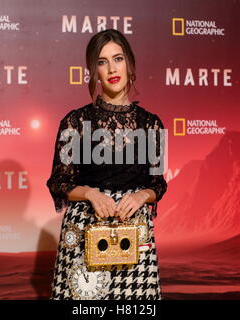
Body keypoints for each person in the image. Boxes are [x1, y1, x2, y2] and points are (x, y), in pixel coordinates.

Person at [46, 29, 167, 300]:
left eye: (118, 59)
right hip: (84, 232)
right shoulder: (75, 122)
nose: (112, 68)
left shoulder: (152, 125)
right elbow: (59, 182)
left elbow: (158, 184)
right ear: (94, 71)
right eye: (102, 62)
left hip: (134, 234)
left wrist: (140, 195)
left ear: (130, 64)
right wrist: (90, 193)